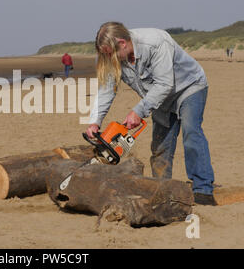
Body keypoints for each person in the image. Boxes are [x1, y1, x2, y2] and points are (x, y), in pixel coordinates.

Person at [86, 21, 217, 206]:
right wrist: (95, 121)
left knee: (191, 132)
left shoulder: (156, 42)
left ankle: (203, 189)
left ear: (122, 43)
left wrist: (138, 111)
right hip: (159, 100)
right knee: (160, 146)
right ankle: (162, 189)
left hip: (189, 87)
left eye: (110, 53)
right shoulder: (113, 57)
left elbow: (164, 84)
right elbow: (107, 89)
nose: (109, 57)